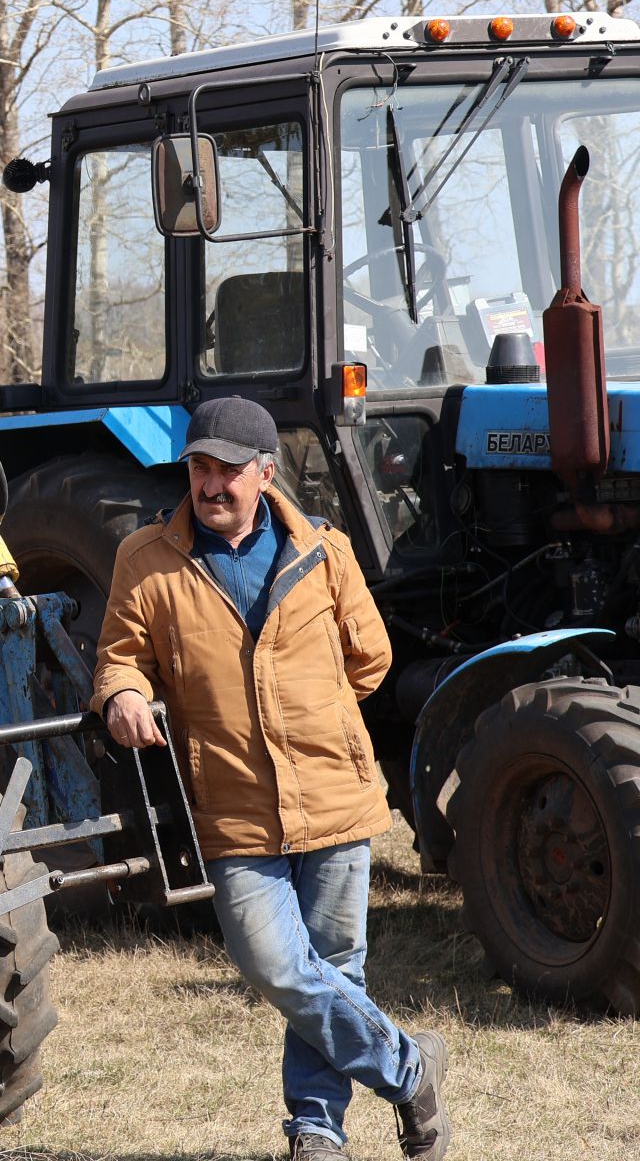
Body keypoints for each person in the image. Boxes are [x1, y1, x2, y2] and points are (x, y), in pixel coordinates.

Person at [89, 396, 450, 1161]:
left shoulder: (326, 551)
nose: (210, 485)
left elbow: (371, 660)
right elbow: (120, 654)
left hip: (334, 795)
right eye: (198, 468)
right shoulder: (146, 560)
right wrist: (122, 693)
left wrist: (303, 711)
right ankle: (409, 1069)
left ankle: (316, 1129)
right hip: (231, 804)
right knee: (275, 965)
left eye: (226, 470)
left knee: (336, 968)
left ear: (264, 471)